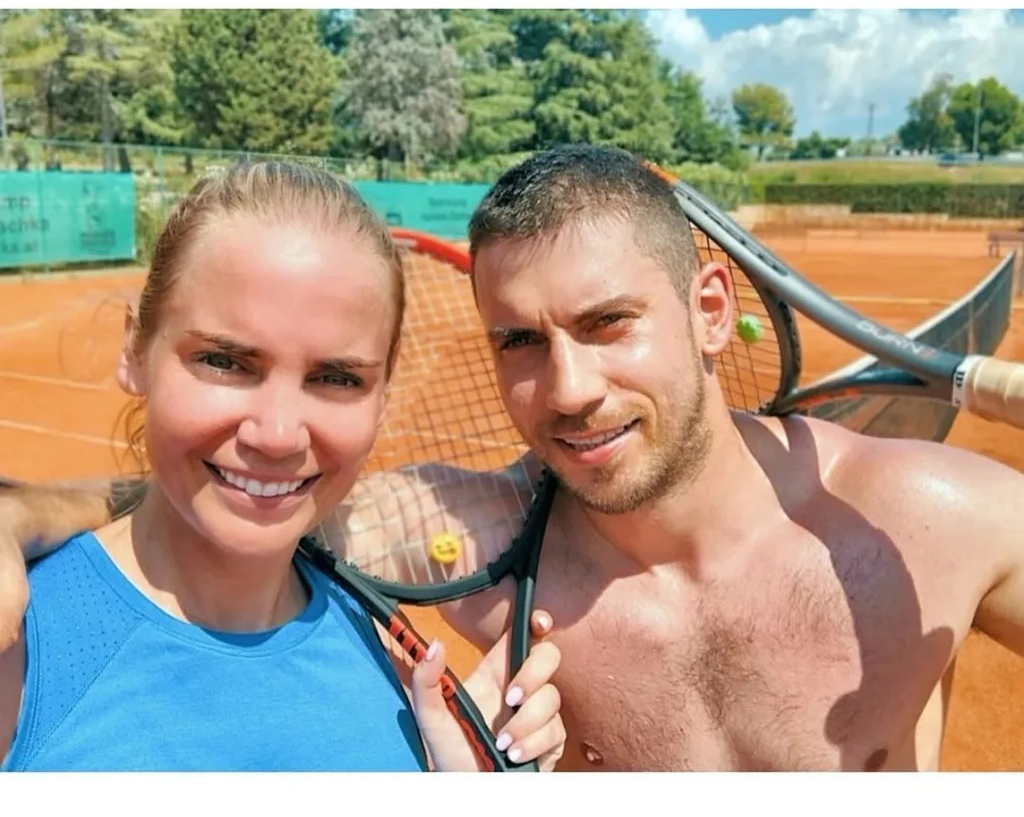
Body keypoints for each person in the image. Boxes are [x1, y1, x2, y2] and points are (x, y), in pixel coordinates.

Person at [3, 143, 1024, 771]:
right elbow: (243, 486)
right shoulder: (475, 534)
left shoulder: (934, 515)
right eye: (519, 340)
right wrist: (20, 506)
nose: (569, 385)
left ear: (709, 308)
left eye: (607, 320)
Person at [0, 160, 566, 772]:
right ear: (135, 350)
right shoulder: (19, 642)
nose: (276, 435)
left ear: (383, 393)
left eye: (336, 377)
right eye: (224, 361)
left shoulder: (381, 650)